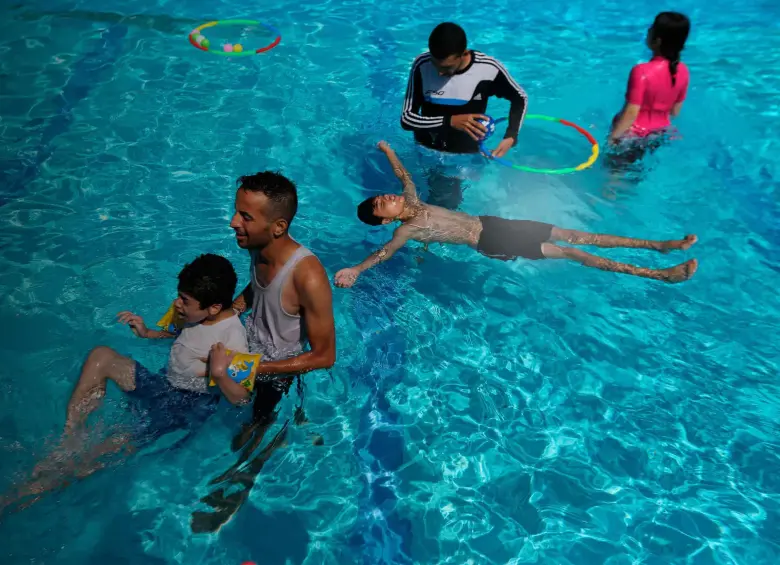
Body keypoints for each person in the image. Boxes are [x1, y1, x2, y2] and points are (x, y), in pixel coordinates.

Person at [3, 254, 247, 512]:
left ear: (214, 307)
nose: (177, 304)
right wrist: (147, 333)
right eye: (179, 296)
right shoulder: (198, 314)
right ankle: (71, 434)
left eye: (184, 300)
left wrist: (220, 373)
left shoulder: (234, 339)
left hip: (181, 409)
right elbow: (180, 338)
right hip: (163, 384)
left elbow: (242, 397)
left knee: (97, 454)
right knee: (102, 356)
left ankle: (19, 498)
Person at [334, 142, 699, 288]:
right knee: (573, 252)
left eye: (383, 197)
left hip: (496, 225)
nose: (386, 198)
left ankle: (659, 245)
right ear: (387, 220)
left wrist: (387, 150)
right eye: (383, 204)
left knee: (576, 235)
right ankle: (657, 274)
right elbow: (384, 253)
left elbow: (403, 175)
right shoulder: (407, 230)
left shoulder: (411, 199)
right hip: (490, 240)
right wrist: (356, 270)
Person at [190, 171, 336, 534]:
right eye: (236, 211)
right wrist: (226, 313)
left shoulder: (309, 276)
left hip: (278, 372)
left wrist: (256, 369)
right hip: (249, 353)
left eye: (245, 217)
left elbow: (324, 356)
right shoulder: (256, 247)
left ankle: (235, 494)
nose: (233, 222)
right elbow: (256, 290)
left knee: (252, 437)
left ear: (278, 226)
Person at [400, 22, 528, 209]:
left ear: (464, 54)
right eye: (436, 64)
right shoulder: (422, 64)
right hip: (428, 150)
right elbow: (406, 119)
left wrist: (510, 136)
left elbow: (520, 98)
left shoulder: (488, 68)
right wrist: (450, 121)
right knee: (434, 198)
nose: (440, 72)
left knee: (465, 202)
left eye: (448, 67)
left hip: (466, 153)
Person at [609, 12, 691, 144]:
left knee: (613, 164)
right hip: (661, 132)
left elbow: (631, 113)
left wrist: (613, 139)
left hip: (633, 135)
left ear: (657, 41)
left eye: (652, 28)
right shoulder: (684, 70)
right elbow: (675, 112)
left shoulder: (641, 71)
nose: (648, 30)